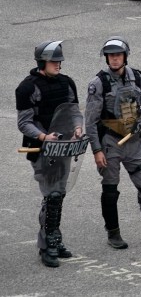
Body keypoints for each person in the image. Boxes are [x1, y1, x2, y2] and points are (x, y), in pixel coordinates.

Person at [84, 37, 141, 249]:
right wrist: (97, 150)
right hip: (111, 142)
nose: (114, 59)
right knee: (110, 191)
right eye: (111, 55)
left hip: (134, 141)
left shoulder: (138, 78)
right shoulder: (98, 84)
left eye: (118, 55)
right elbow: (90, 122)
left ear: (125, 57)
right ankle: (113, 233)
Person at [16, 40, 82, 267]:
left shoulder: (67, 83)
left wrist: (78, 127)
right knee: (52, 195)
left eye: (60, 61)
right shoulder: (27, 88)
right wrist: (44, 137)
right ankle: (47, 246)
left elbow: (74, 112)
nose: (59, 65)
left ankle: (54, 238)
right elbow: (24, 123)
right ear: (42, 62)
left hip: (63, 147)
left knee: (58, 194)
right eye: (54, 61)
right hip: (42, 149)